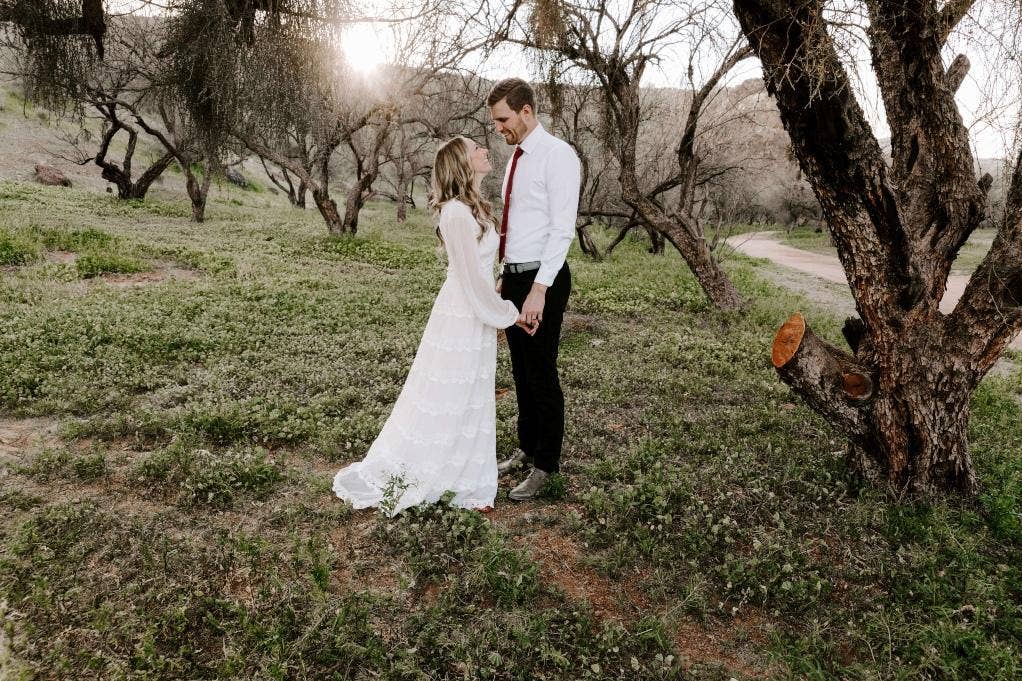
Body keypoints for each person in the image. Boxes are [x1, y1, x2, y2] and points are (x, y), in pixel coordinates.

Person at [332, 136, 532, 516]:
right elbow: (470, 280)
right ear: (462, 162)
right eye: (475, 148)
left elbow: (481, 270)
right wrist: (511, 314)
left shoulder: (474, 207)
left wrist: (498, 291)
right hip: (462, 314)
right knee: (450, 391)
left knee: (470, 392)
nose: (484, 151)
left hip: (476, 311)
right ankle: (440, 472)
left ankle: (466, 477)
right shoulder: (455, 213)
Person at [487, 78, 582, 501]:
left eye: (503, 119)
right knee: (521, 371)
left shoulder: (558, 156)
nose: (498, 128)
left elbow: (561, 230)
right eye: (495, 121)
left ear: (526, 111)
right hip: (515, 277)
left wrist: (538, 290)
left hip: (543, 280)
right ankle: (527, 447)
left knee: (541, 372)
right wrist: (505, 274)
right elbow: (519, 225)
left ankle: (546, 464)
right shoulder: (516, 158)